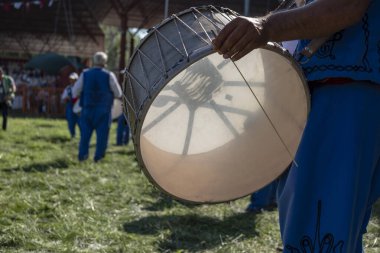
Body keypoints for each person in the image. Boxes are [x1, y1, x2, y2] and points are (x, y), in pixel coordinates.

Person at [213, 0, 380, 251]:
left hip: (344, 88)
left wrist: (265, 26)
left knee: (317, 228)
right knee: (331, 228)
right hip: (342, 88)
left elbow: (345, 6)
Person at [72, 52, 122, 162]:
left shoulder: (85, 74)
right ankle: (98, 158)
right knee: (102, 137)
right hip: (104, 110)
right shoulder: (109, 75)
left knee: (84, 136)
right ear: (105, 62)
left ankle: (82, 157)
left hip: (87, 109)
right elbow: (118, 93)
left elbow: (75, 91)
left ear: (94, 61)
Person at [61, 72, 79, 138]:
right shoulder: (68, 88)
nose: (72, 81)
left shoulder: (80, 88)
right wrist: (66, 98)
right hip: (70, 106)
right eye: (71, 79)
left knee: (81, 122)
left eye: (73, 79)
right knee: (71, 122)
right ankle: (73, 135)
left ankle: (83, 136)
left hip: (79, 107)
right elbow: (63, 99)